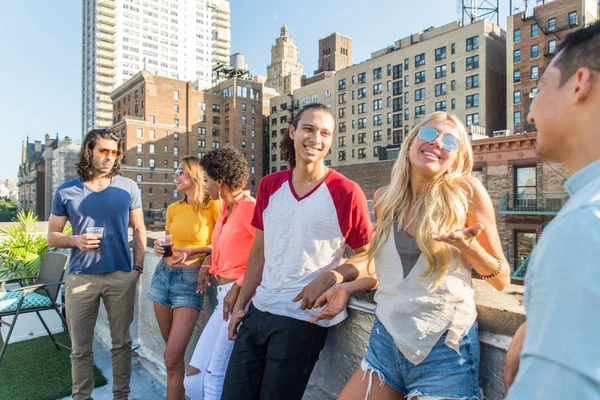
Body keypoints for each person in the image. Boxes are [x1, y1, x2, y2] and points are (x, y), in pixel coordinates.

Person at [315, 112, 510, 400]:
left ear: (456, 159)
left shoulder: (466, 193)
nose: (437, 143)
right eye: (429, 134)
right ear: (410, 145)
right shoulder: (384, 199)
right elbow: (388, 271)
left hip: (443, 351)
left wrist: (471, 249)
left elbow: (502, 278)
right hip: (385, 343)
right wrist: (347, 287)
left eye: (450, 141)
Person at [220, 103, 373, 400]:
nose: (316, 138)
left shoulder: (347, 191)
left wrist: (334, 276)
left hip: (302, 318)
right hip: (259, 309)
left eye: (325, 133)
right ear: (292, 132)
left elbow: (369, 255)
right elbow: (260, 251)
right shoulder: (269, 185)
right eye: (309, 128)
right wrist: (242, 302)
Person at [503, 21, 600, 399]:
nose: (530, 115)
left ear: (579, 84)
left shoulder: (582, 225)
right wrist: (543, 320)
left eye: (539, 89)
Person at [47, 129, 146, 400]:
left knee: (122, 344)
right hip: (80, 278)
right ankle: (82, 397)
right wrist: (76, 240)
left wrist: (136, 270)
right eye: (103, 151)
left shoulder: (128, 187)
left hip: (120, 276)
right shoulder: (66, 190)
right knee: (80, 348)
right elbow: (52, 235)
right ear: (88, 151)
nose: (109, 157)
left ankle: (121, 396)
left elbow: (139, 230)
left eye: (114, 152)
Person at [183, 147, 256, 400]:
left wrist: (240, 284)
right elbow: (225, 246)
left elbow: (267, 253)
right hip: (222, 299)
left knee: (215, 380)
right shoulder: (225, 208)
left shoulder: (248, 208)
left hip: (241, 300)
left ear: (220, 181)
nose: (205, 185)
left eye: (206, 180)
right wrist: (207, 264)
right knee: (192, 380)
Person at [148, 156, 220, 400]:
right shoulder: (173, 208)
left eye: (180, 173)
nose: (175, 177)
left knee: (171, 357)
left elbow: (220, 243)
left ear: (194, 176)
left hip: (189, 281)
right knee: (172, 358)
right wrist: (160, 247)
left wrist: (206, 263)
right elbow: (169, 241)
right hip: (162, 276)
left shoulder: (213, 206)